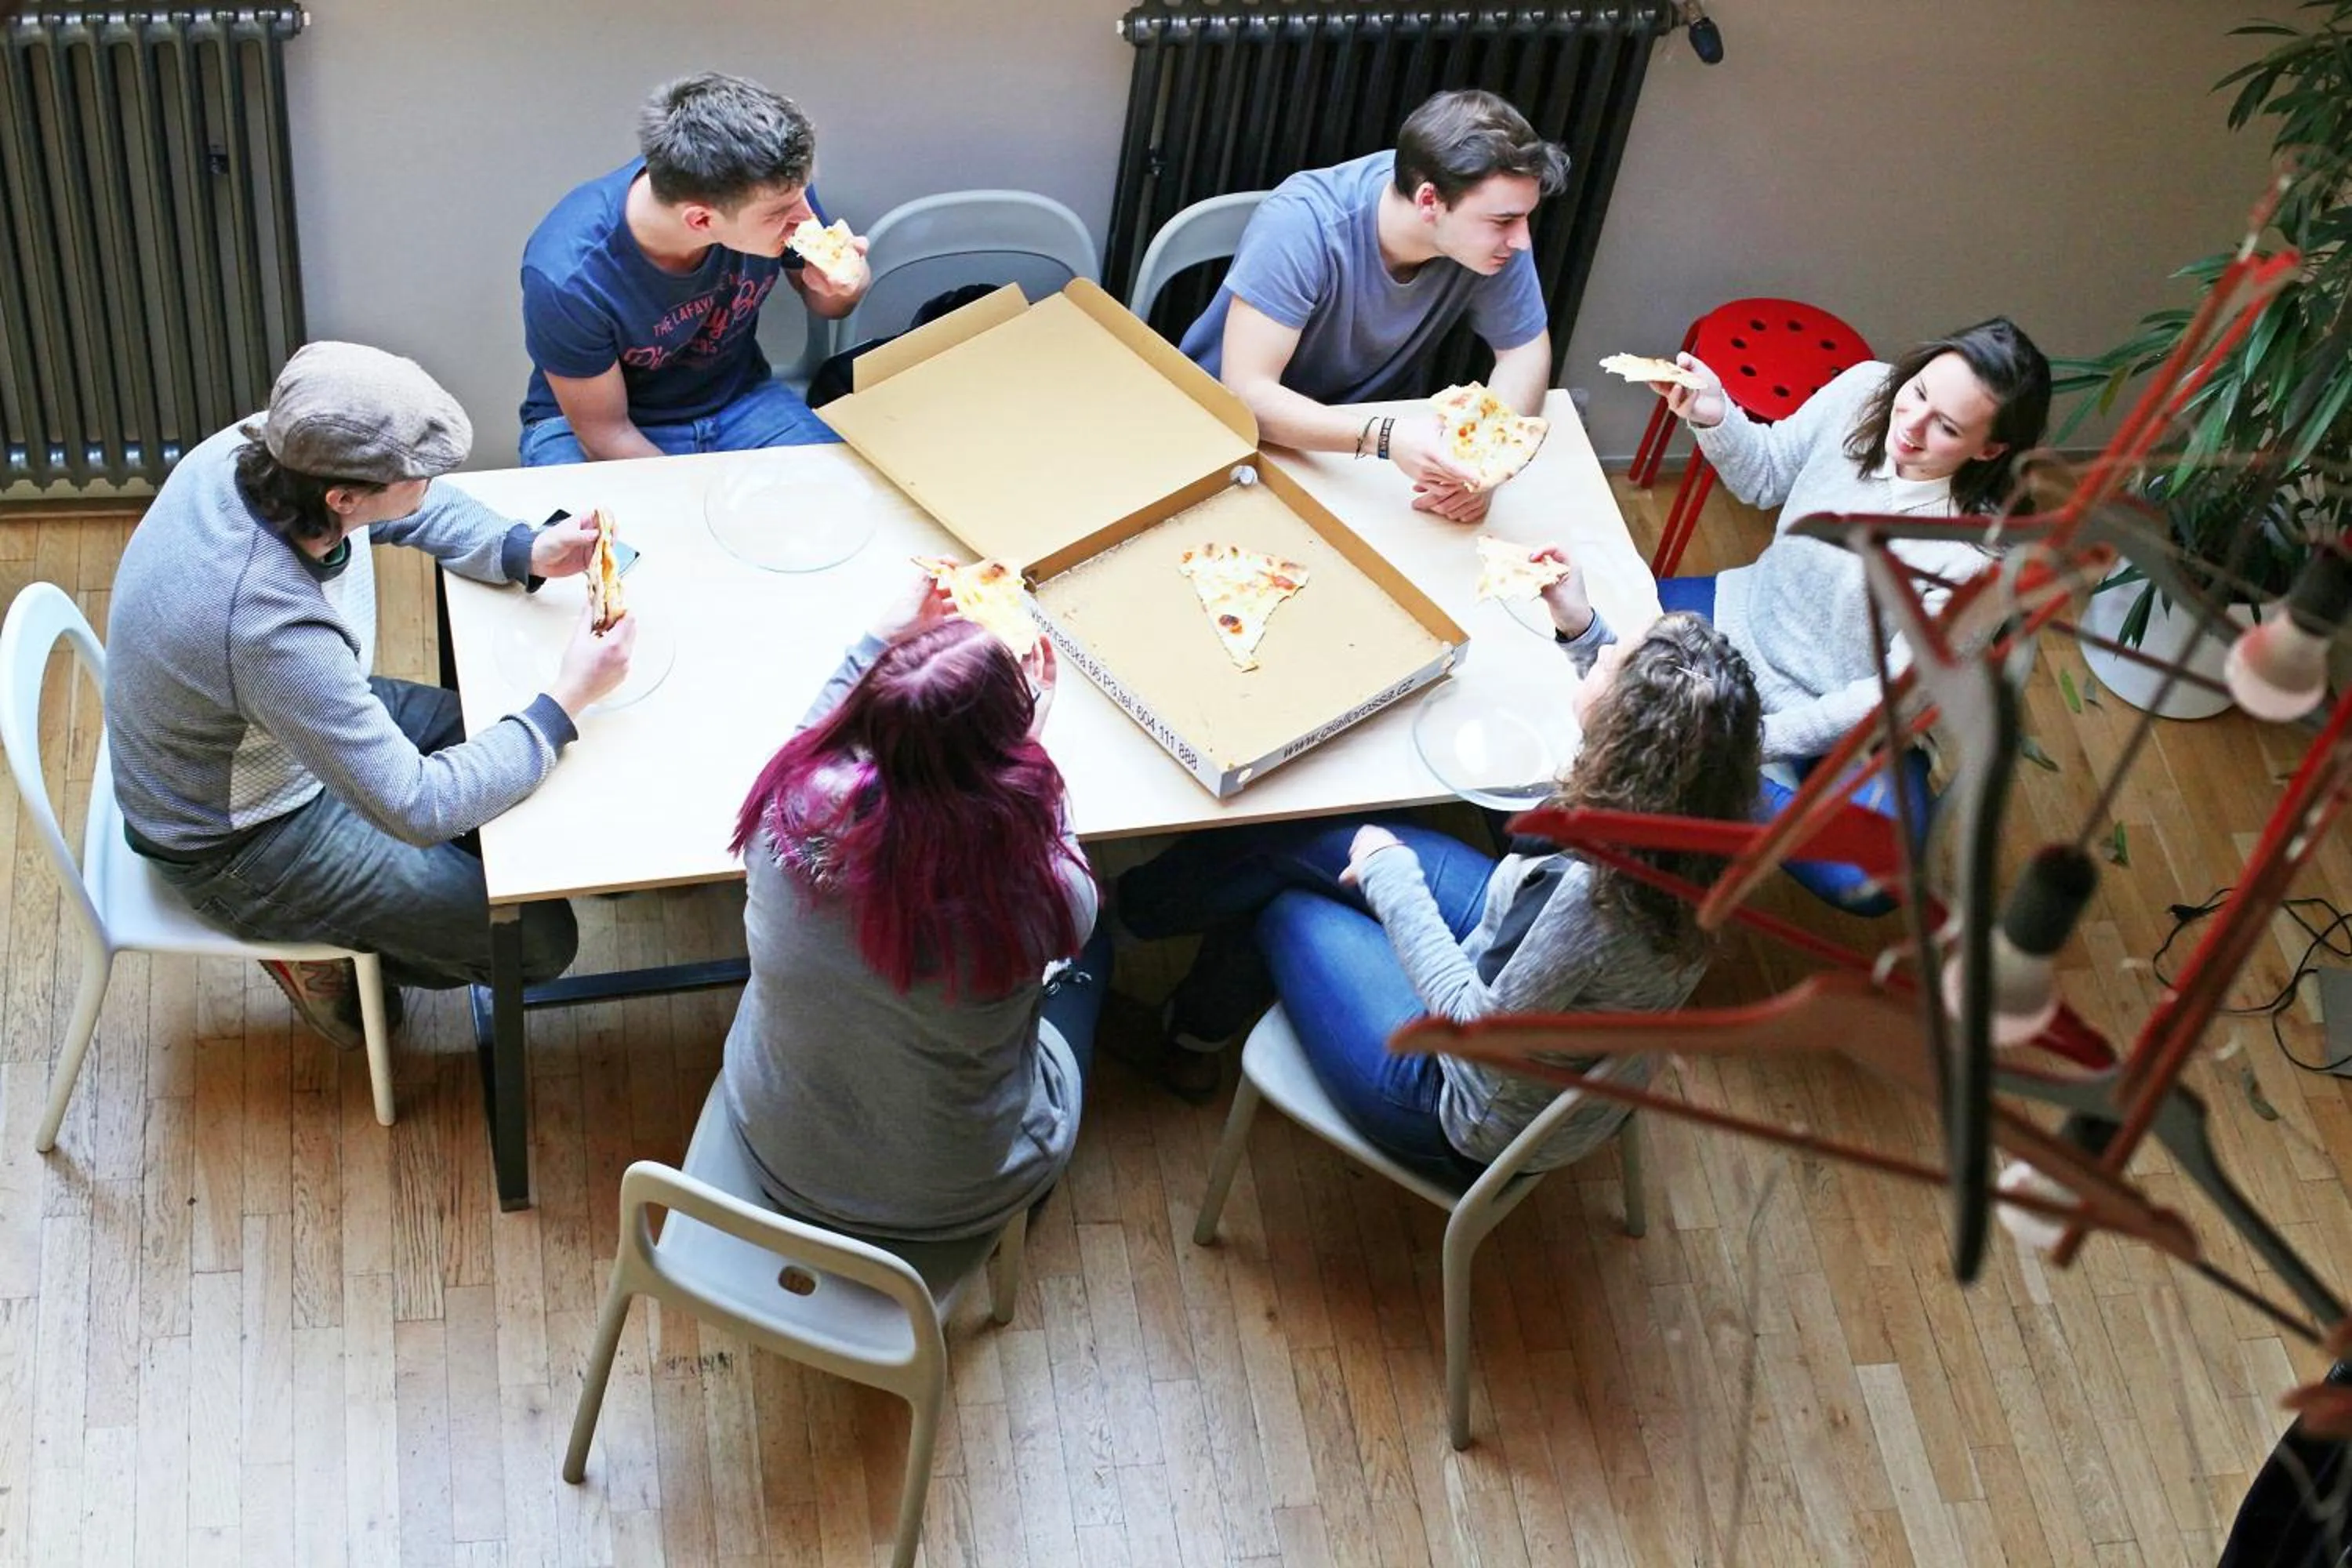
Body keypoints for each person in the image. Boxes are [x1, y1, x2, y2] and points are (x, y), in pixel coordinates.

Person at [1112, 552, 1762, 1177]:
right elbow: (1657, 714)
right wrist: (1581, 626)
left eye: (1609, 662)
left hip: (1456, 1100)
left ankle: (1162, 1007)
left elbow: (1474, 1019)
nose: (1605, 655)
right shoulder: (1695, 817)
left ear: (1627, 734)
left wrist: (1393, 880)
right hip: (1519, 957)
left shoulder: (1589, 899)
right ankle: (1136, 930)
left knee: (1280, 901)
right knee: (1298, 837)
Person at [107, 341, 635, 1048]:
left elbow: (409, 507)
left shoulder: (265, 450)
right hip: (240, 838)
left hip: (277, 724)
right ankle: (314, 950)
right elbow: (418, 805)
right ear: (343, 499)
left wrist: (523, 549)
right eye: (414, 476)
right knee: (536, 942)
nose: (427, 485)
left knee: (531, 766)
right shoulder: (267, 622)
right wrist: (566, 699)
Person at [719, 581, 1111, 1243]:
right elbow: (1063, 883)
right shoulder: (1036, 898)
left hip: (775, 1149)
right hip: (960, 1198)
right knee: (1096, 953)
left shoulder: (783, 814)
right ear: (1002, 763)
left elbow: (806, 742)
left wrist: (876, 642)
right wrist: (1033, 753)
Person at [1639, 316, 2052, 909]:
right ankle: (1718, 775)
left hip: (1849, 722)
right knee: (1586, 637)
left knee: (1872, 883)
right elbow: (1765, 476)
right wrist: (1714, 413)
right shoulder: (1866, 391)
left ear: (1988, 449)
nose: (1910, 426)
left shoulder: (1977, 565)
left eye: (1946, 427)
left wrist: (1750, 744)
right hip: (1744, 620)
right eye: (1918, 394)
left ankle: (1721, 775)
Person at [1180, 89, 1569, 524]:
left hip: (1360, 449)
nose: (1522, 240)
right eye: (1503, 221)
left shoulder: (1495, 238)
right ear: (1428, 201)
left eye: (1524, 217)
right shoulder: (1300, 224)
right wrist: (1384, 437)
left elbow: (1524, 350)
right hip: (1221, 433)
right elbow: (1248, 394)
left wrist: (1483, 465)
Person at [517, 71, 869, 466]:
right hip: (600, 425)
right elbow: (605, 434)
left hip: (739, 402)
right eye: (781, 213)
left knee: (848, 502)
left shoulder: (777, 189)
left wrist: (844, 287)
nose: (805, 217)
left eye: (803, 195)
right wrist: (696, 497)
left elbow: (828, 304)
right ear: (701, 221)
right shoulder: (569, 277)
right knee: (624, 529)